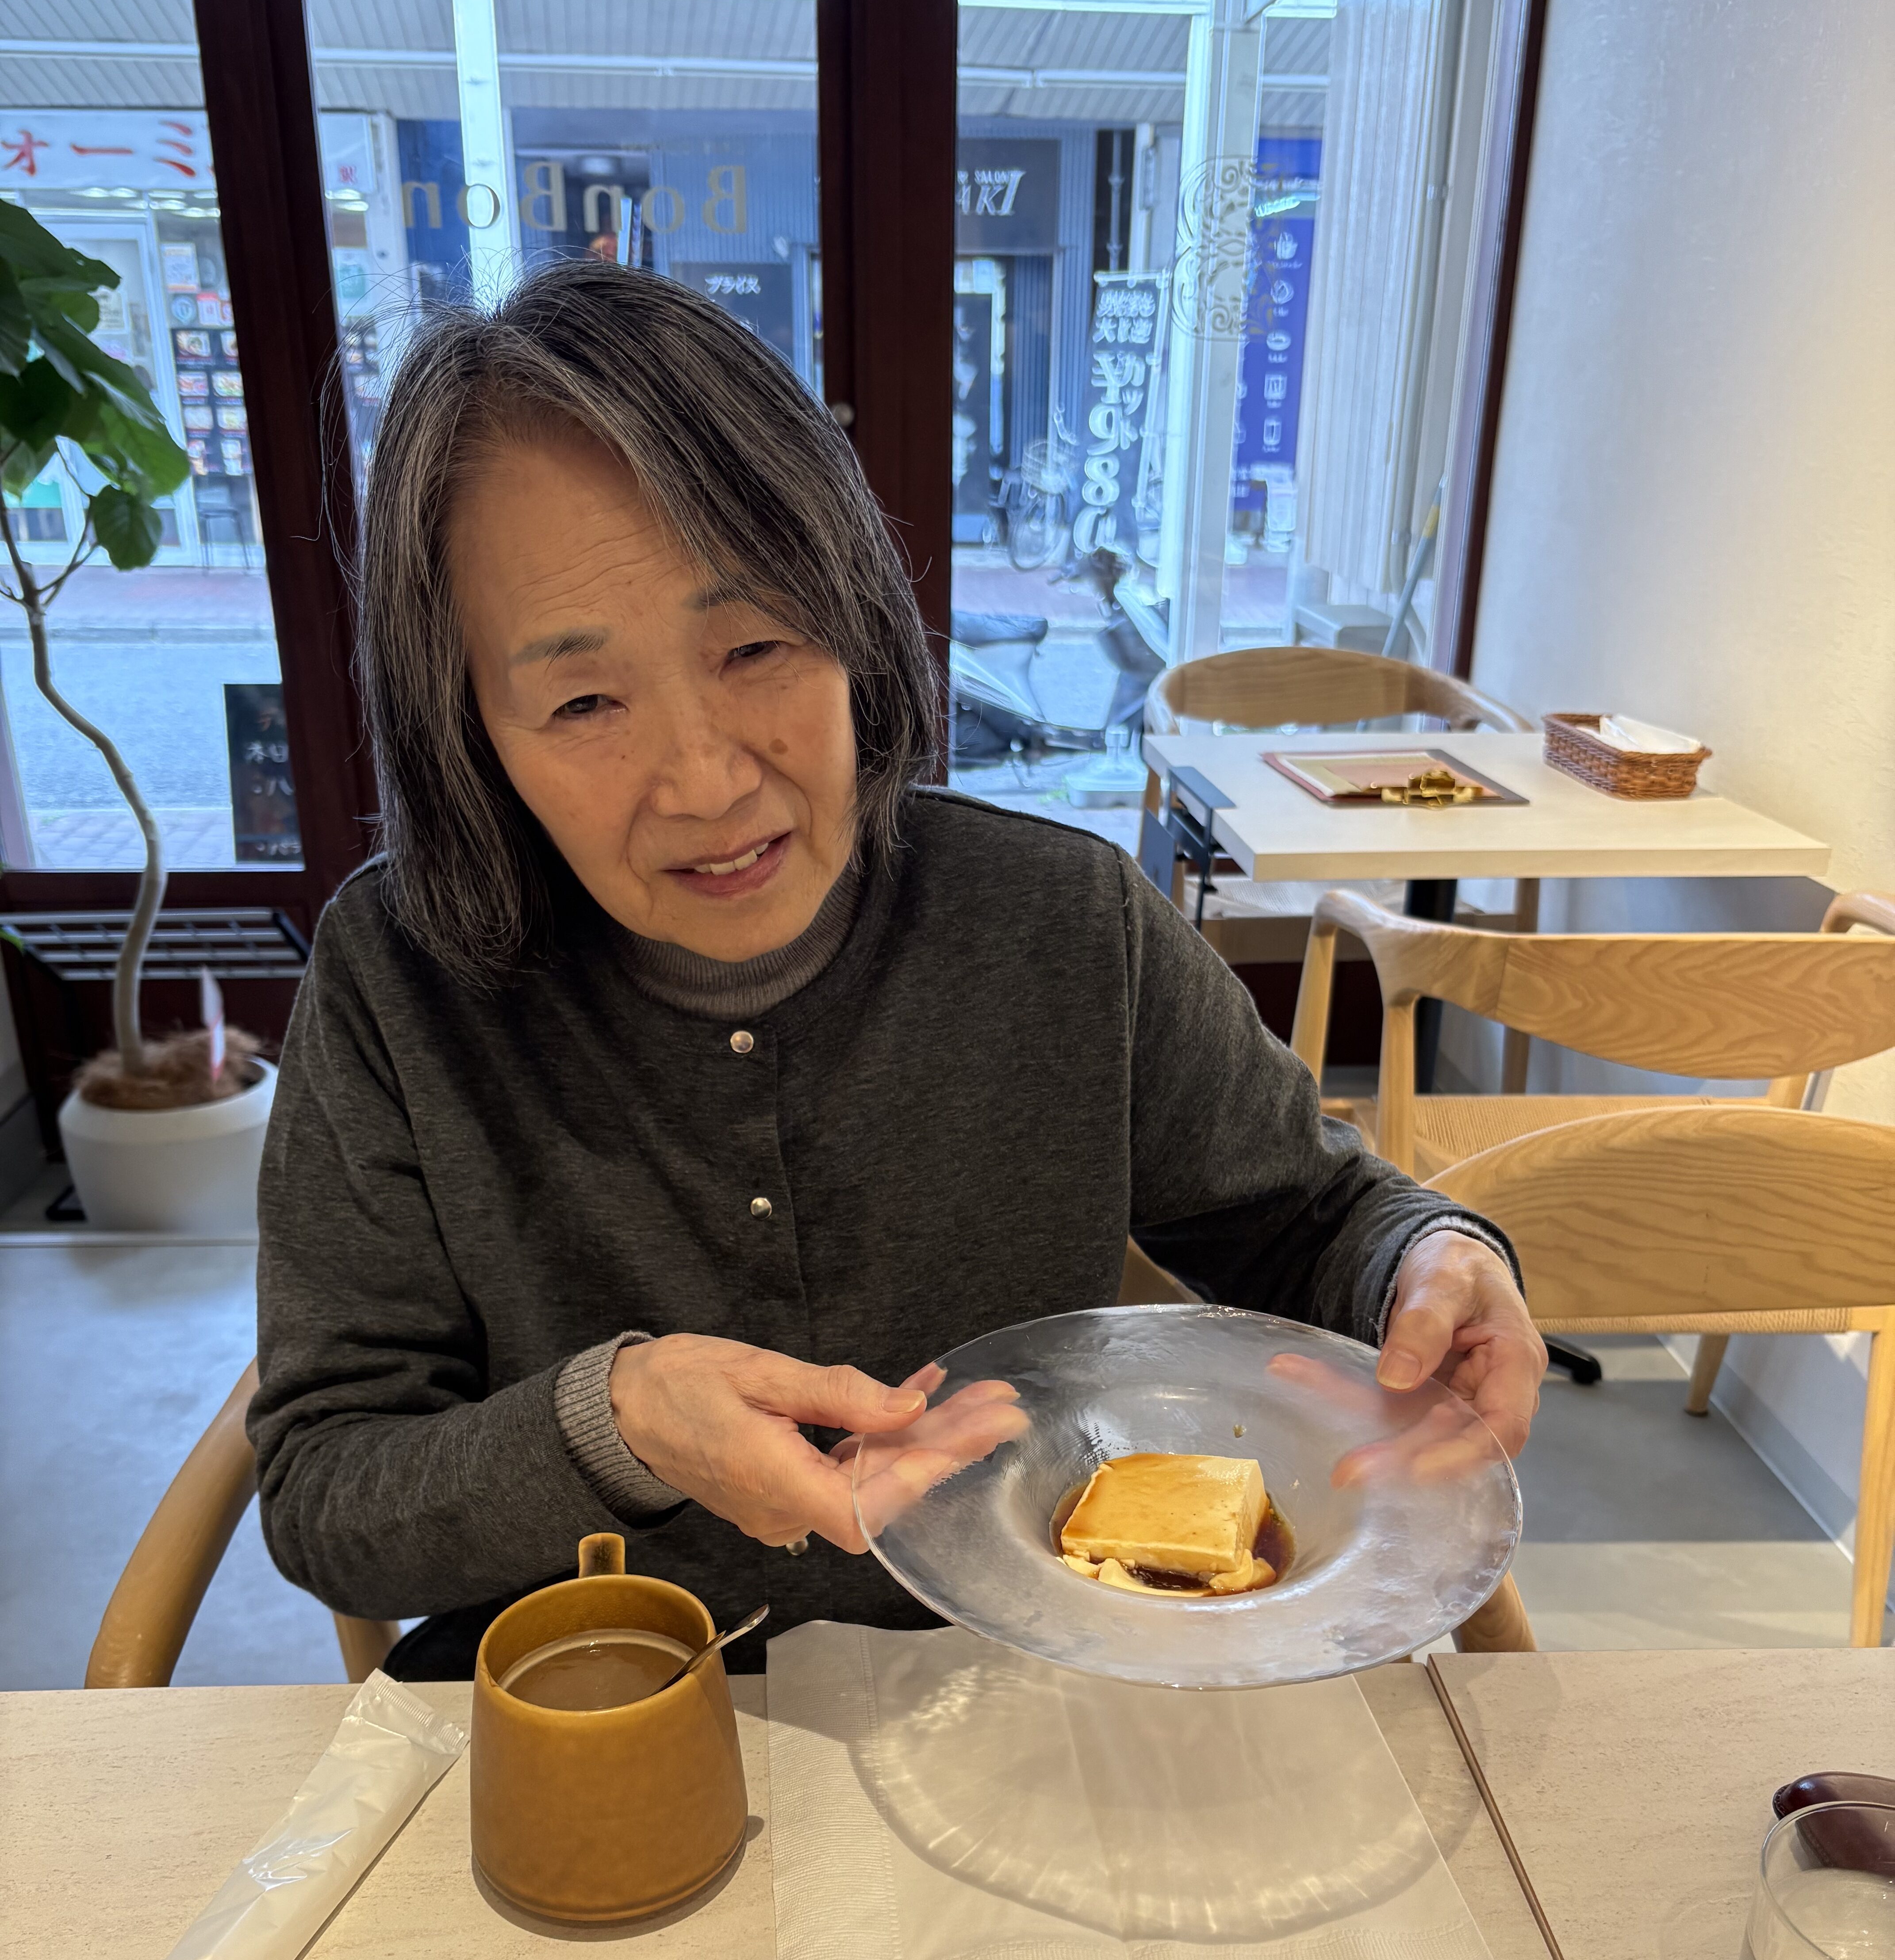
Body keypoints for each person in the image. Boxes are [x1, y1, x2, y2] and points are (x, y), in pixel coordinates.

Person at [249, 261, 1545, 1677]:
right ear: (468, 728)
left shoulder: (1061, 923)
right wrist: (614, 1425)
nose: (704, 780)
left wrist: (1431, 1264)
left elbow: (1309, 1217)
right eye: (581, 700)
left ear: (852, 622)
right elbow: (329, 1495)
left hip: (1021, 1693)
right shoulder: (399, 978)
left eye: (755, 644)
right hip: (594, 1702)